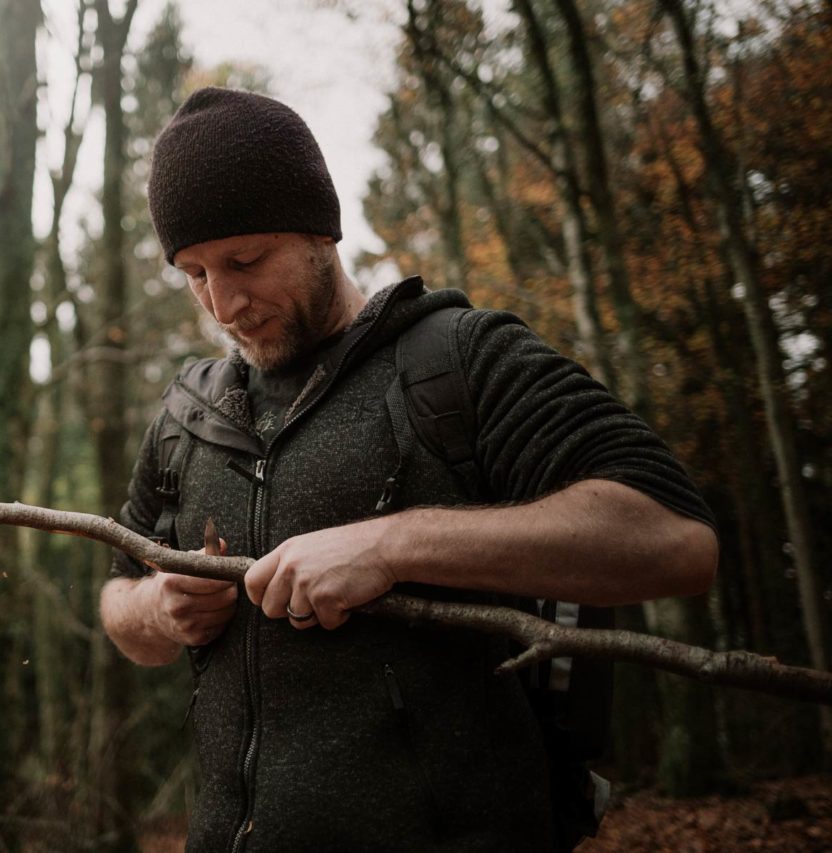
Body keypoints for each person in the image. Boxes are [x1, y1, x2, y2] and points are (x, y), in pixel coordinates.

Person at [98, 87, 718, 852]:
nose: (223, 303)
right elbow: (118, 598)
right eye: (194, 273)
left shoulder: (459, 360)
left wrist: (393, 544)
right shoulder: (188, 416)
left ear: (321, 232)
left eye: (245, 260)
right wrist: (158, 608)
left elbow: (677, 538)